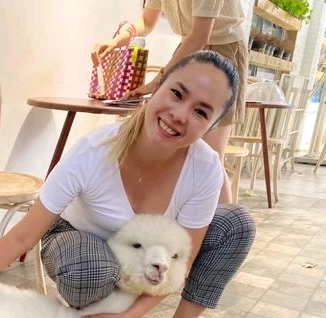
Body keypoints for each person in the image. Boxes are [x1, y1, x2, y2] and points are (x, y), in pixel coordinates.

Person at [0, 51, 255, 318]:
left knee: (236, 225)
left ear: (213, 125)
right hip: (80, 239)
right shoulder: (92, 152)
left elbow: (183, 261)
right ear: (158, 84)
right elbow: (23, 237)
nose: (179, 115)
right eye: (177, 93)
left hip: (142, 254)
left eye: (200, 112)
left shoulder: (205, 168)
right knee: (89, 270)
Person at [92, 0, 248, 204]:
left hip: (224, 51)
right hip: (189, 47)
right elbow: (147, 21)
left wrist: (159, 80)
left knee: (211, 159)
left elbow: (201, 34)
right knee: (175, 153)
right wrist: (119, 40)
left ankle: (226, 231)